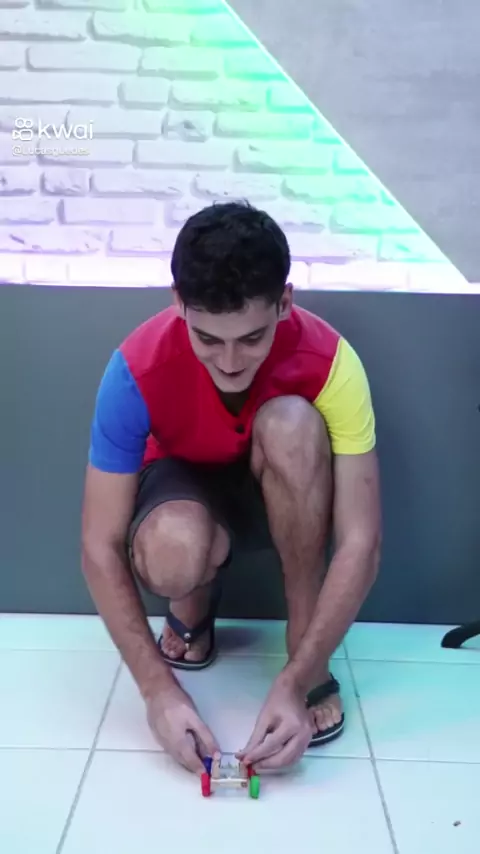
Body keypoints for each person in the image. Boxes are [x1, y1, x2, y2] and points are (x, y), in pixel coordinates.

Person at [81, 201, 381, 776]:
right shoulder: (133, 368)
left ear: (284, 303)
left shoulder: (333, 362)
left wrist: (296, 678)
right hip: (183, 491)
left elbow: (361, 541)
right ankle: (193, 599)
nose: (230, 360)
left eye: (251, 337)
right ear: (178, 302)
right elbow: (99, 544)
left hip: (283, 488)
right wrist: (158, 694)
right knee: (172, 550)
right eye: (208, 339)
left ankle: (303, 644)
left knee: (292, 423)